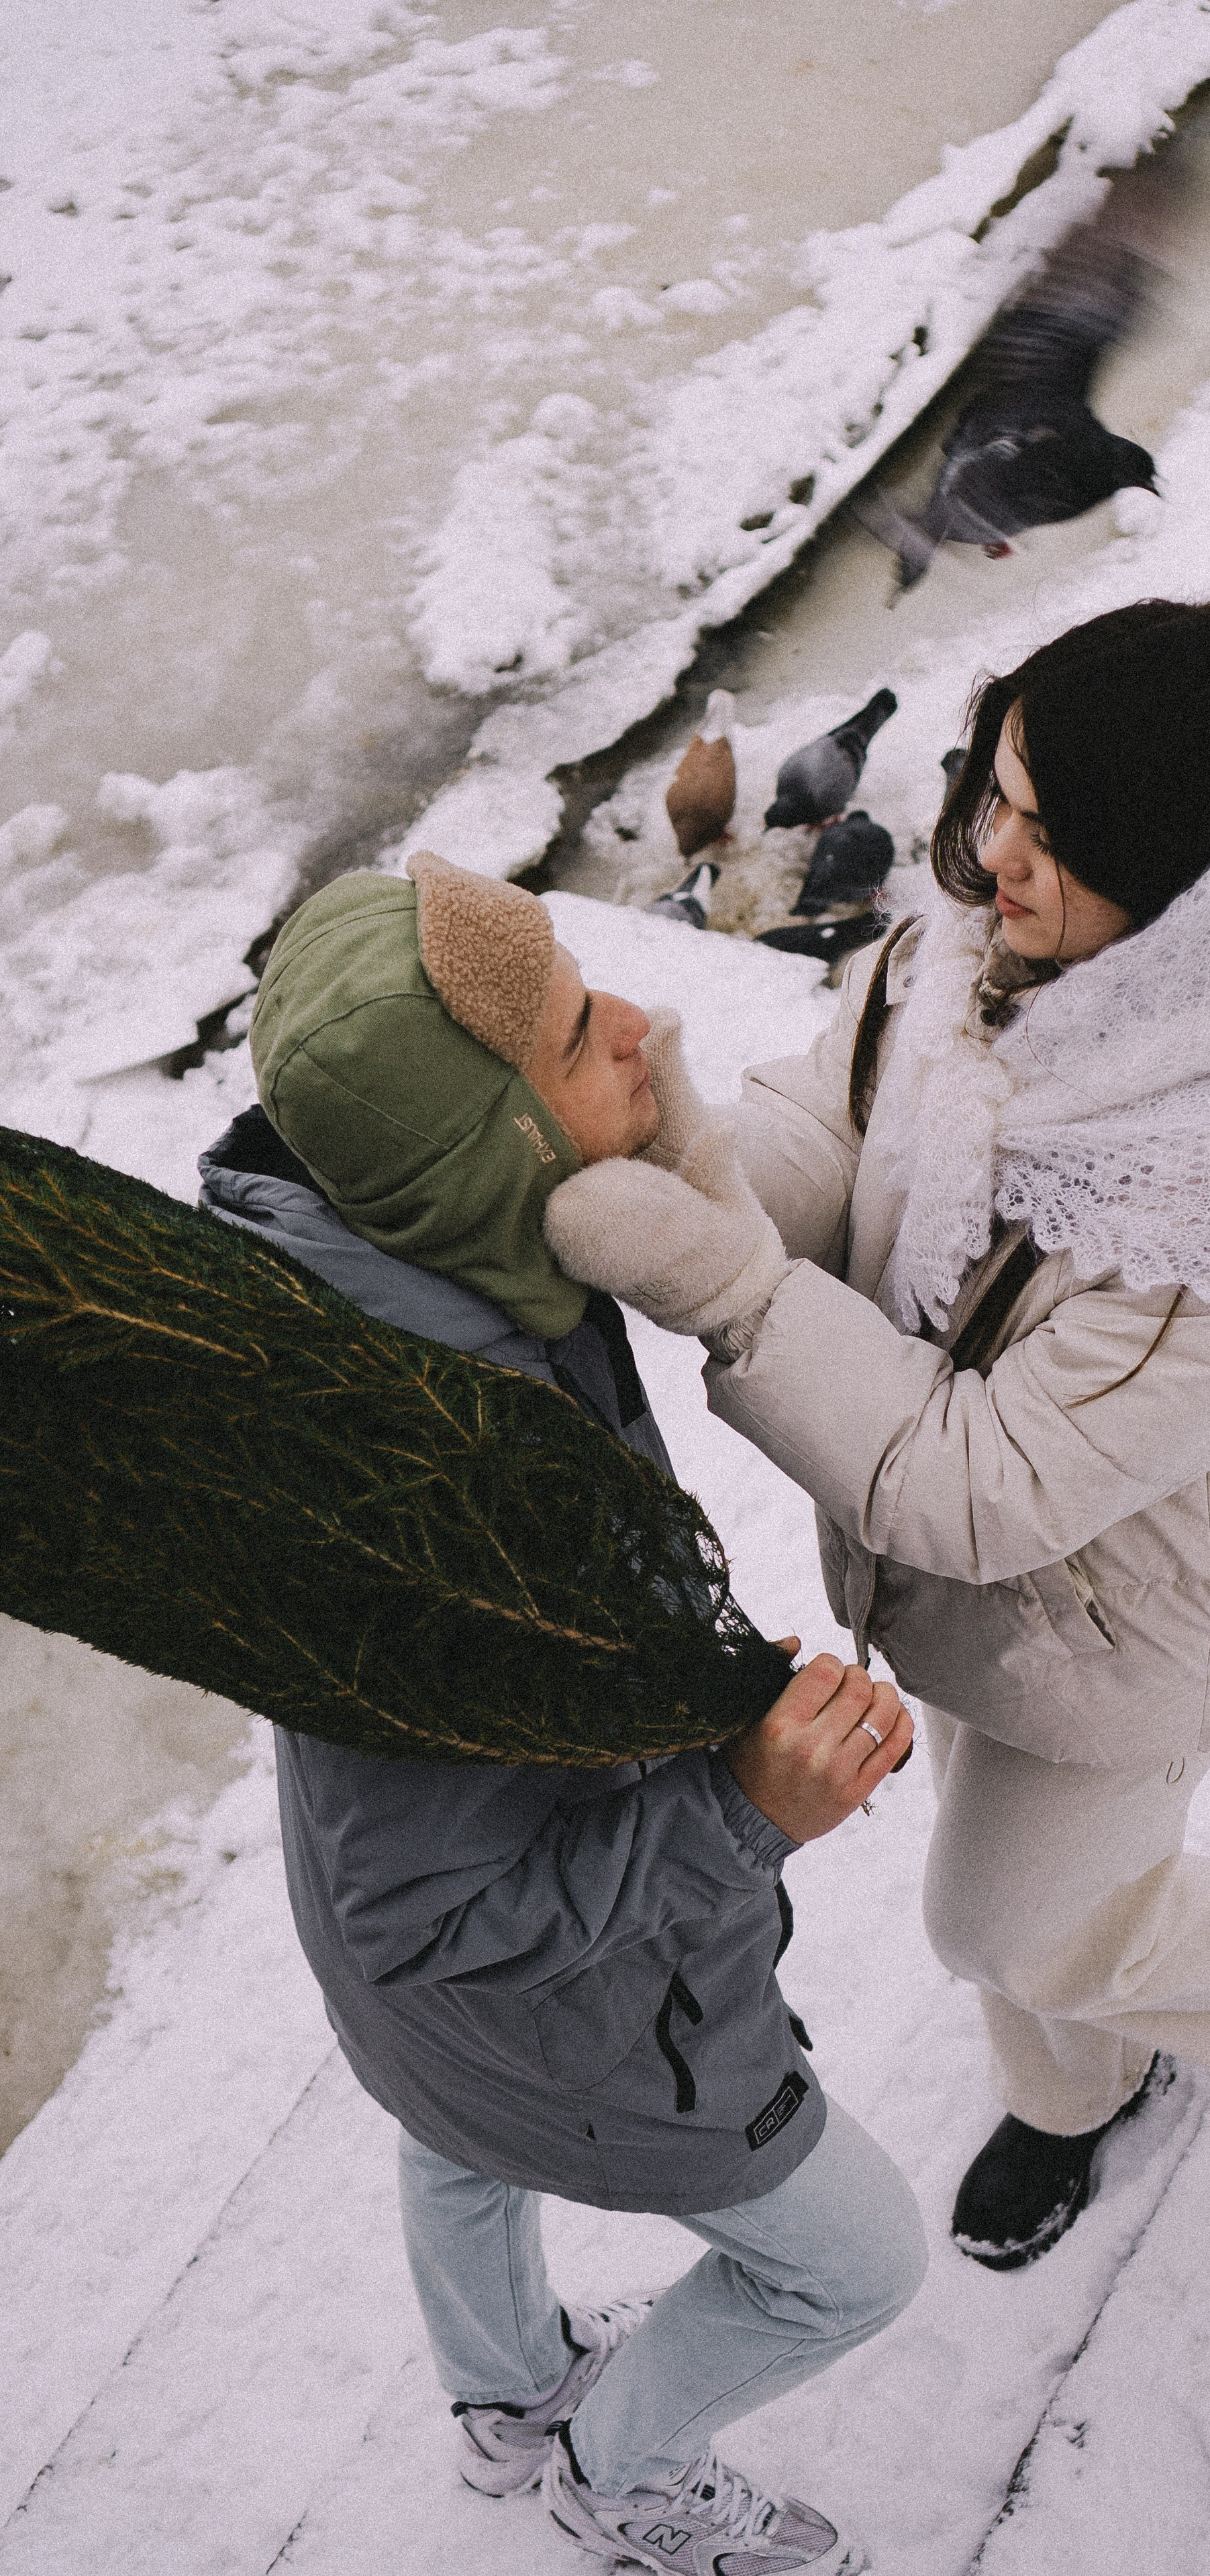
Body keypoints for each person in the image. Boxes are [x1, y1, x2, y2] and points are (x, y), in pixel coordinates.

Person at [545, 600, 1210, 2272]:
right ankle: (1078, 2084)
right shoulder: (989, 947)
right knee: (1020, 1869)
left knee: (1014, 1915)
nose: (990, 852)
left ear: (1181, 886)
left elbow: (988, 1485)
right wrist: (686, 1158)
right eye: (995, 789)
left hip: (1129, 1621)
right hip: (964, 1584)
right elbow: (836, 1126)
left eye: (1051, 833)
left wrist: (725, 1287)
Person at [199, 852, 923, 2575]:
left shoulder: (402, 1290)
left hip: (431, 2034)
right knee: (851, 2265)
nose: (643, 1028)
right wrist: (742, 1806)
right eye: (581, 1032)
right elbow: (430, 1910)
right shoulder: (441, 1505)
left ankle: (506, 2394)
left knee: (453, 2138)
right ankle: (620, 2469)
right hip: (574, 2017)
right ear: (492, 1149)